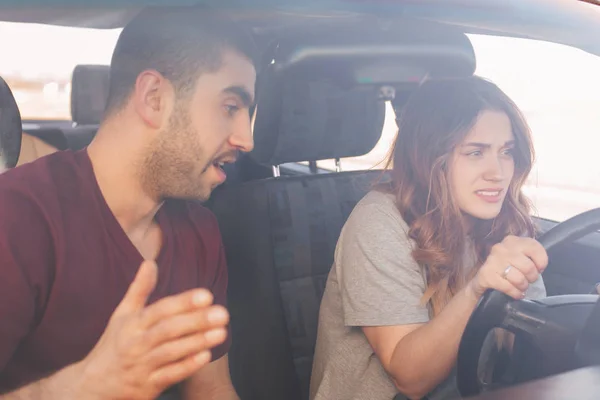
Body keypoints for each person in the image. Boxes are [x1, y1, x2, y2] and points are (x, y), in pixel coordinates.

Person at [0, 6, 257, 400]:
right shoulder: (17, 218)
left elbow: (210, 387)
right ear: (154, 98)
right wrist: (80, 389)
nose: (246, 139)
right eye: (230, 108)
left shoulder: (200, 232)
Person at [309, 76, 548, 400]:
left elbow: (533, 345)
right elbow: (410, 378)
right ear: (431, 158)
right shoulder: (379, 221)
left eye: (506, 152)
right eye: (475, 153)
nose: (498, 172)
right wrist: (479, 288)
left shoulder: (506, 222)